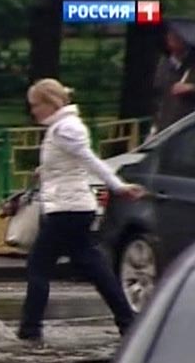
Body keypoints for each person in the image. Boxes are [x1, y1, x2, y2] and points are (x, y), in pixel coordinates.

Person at [18, 78, 146, 343]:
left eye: (36, 105)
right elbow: (70, 163)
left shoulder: (66, 128)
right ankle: (127, 322)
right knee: (93, 266)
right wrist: (45, 171)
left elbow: (89, 159)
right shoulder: (61, 127)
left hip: (67, 209)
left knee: (39, 266)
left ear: (50, 102)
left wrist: (118, 186)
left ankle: (30, 331)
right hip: (70, 207)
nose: (33, 111)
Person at [151, 23, 195, 135]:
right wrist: (155, 126)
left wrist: (191, 88)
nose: (171, 38)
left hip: (188, 129)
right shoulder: (164, 64)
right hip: (165, 127)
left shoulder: (191, 65)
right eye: (170, 35)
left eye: (176, 35)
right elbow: (158, 96)